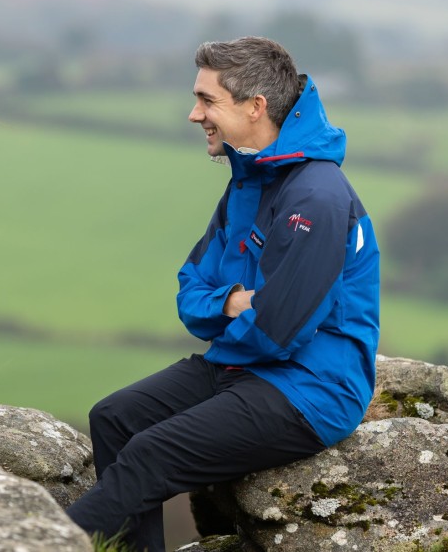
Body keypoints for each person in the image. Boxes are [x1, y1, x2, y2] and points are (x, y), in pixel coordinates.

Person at [66, 37, 380, 551]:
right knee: (114, 418)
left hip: (310, 386)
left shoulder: (316, 195)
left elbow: (279, 330)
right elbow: (192, 289)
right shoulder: (250, 179)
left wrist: (237, 311)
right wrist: (235, 301)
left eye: (207, 100)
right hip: (245, 363)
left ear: (255, 107)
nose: (195, 115)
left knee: (150, 452)